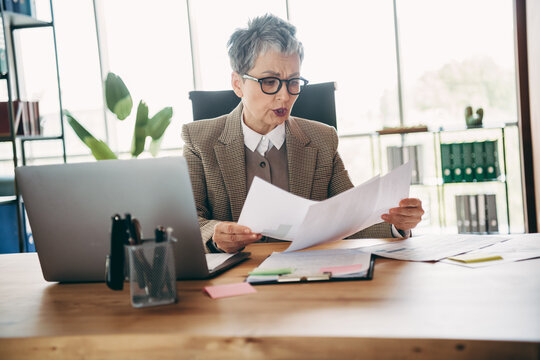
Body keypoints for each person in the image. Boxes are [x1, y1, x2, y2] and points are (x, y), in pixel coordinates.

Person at [182, 14, 424, 254]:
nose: (285, 96)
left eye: (293, 82)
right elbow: (190, 221)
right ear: (237, 84)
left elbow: (350, 220)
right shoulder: (199, 140)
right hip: (236, 279)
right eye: (269, 82)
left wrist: (396, 224)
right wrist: (215, 234)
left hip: (308, 275)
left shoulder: (322, 140)